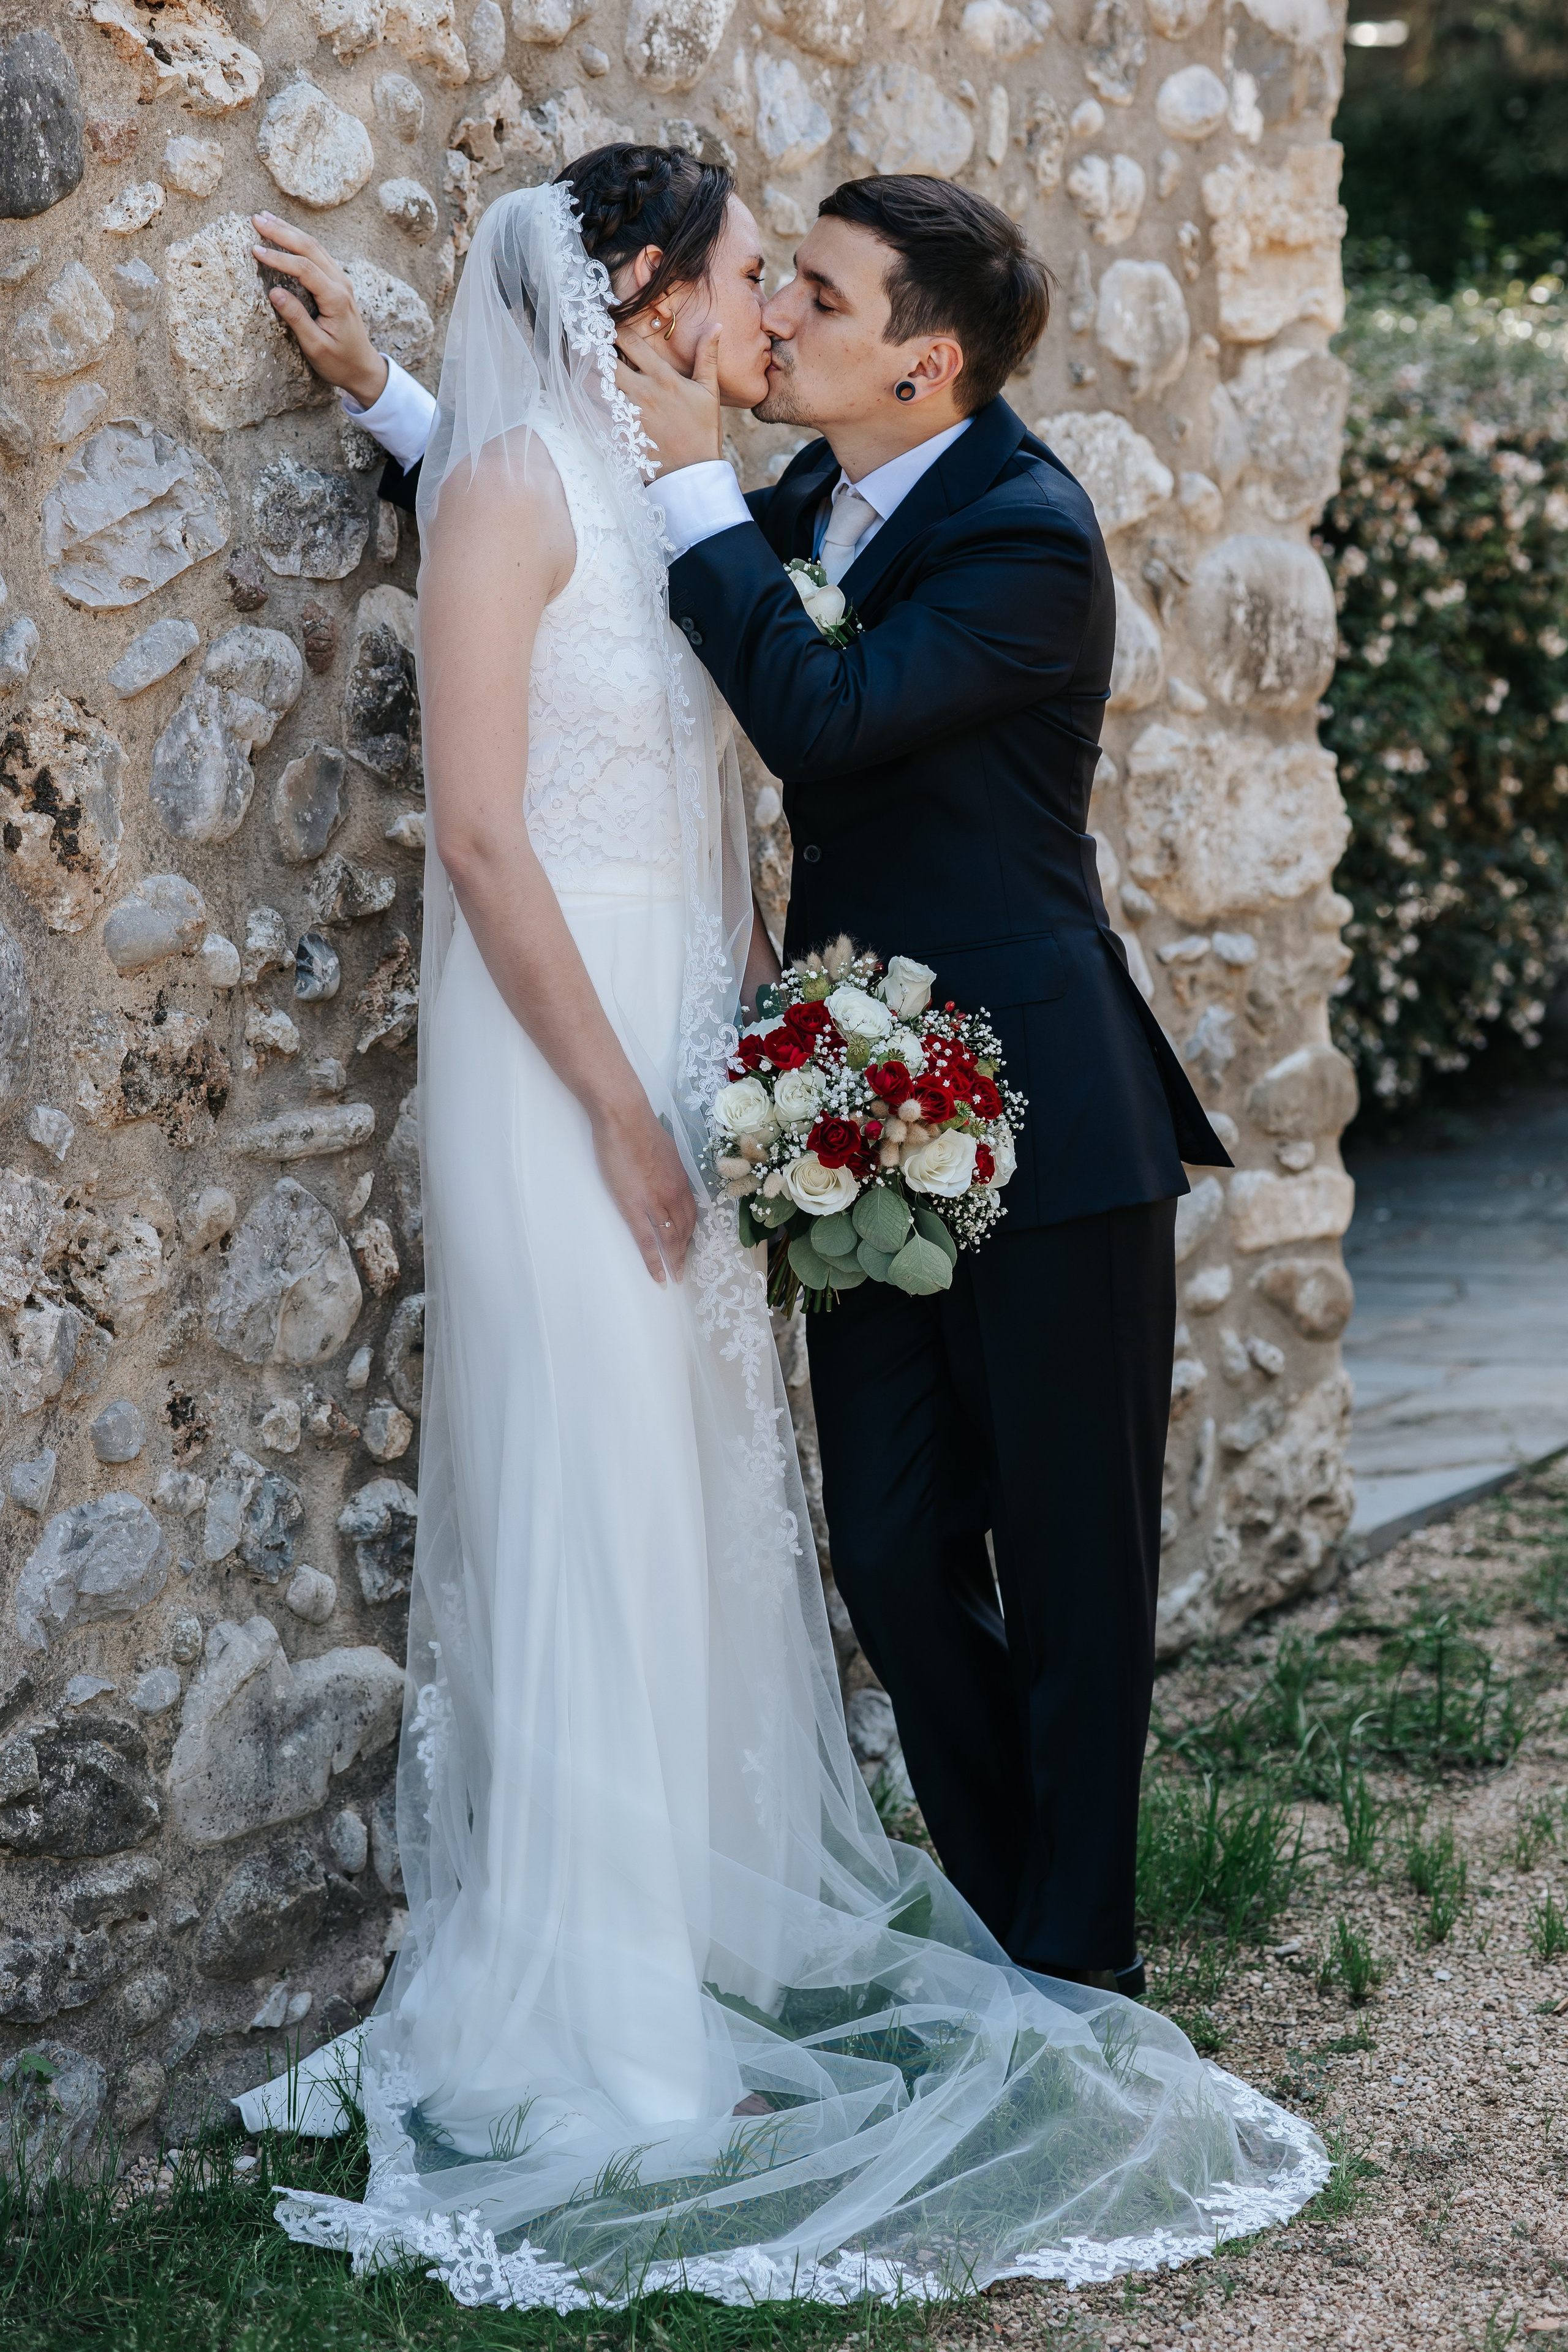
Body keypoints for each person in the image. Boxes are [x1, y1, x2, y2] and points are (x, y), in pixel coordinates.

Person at [238, 151, 1323, 2309]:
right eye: (769, 279)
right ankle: (994, 1908)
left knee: (1074, 1557)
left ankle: (1074, 1955)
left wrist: (677, 471)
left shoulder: (1024, 532)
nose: (779, 317)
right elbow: (573, 567)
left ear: (925, 357)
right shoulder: (799, 498)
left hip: (1046, 1115)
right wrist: (401, 404)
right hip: (846, 1117)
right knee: (895, 1552)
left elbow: (806, 695)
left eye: (816, 292)